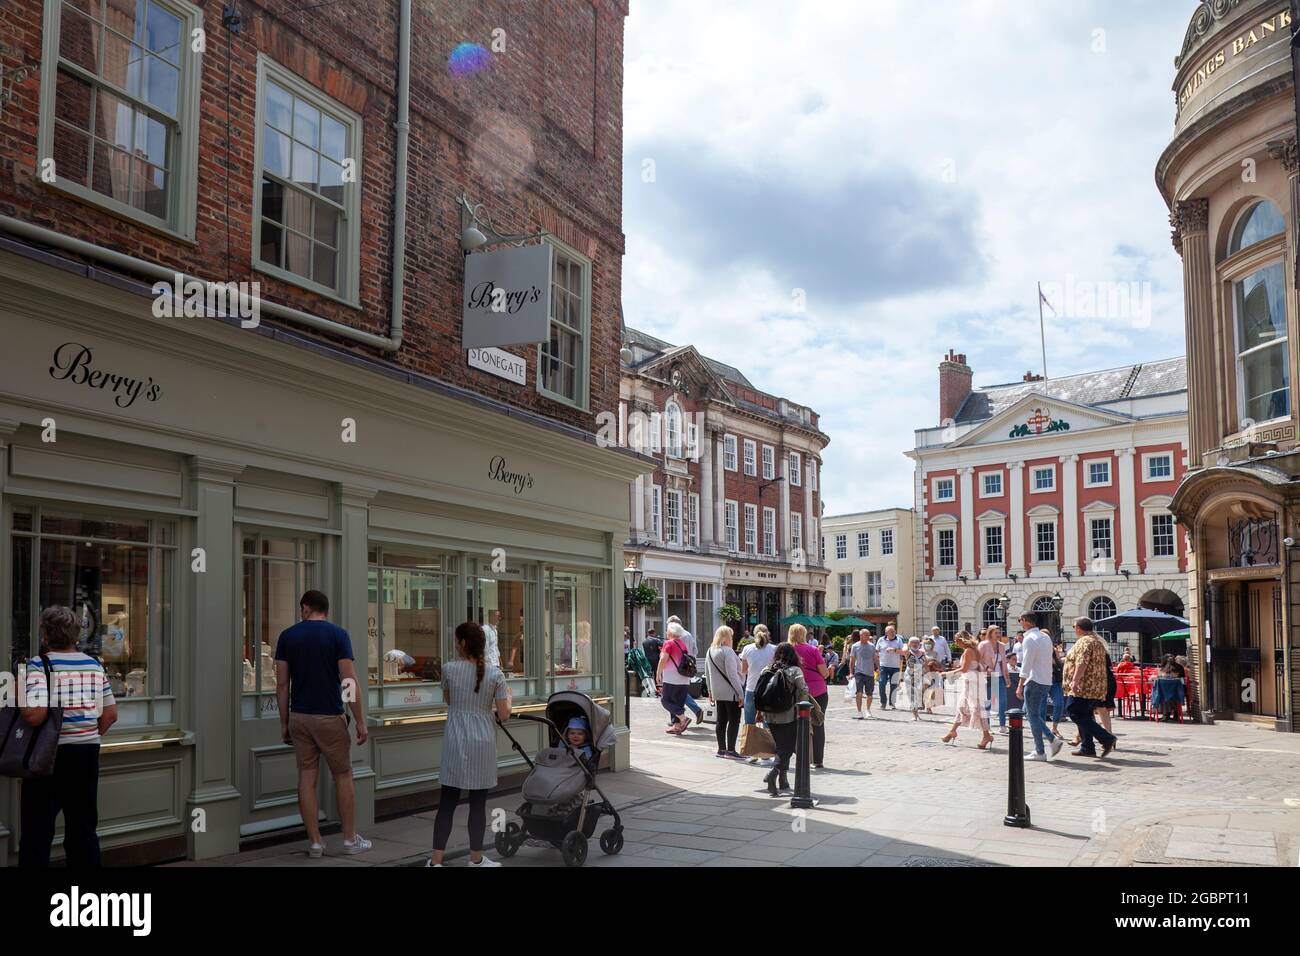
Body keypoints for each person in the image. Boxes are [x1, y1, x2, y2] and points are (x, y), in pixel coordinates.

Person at [18, 606, 119, 867]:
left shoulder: (40, 664)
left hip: (48, 757)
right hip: (85, 755)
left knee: (37, 831)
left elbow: (35, 716)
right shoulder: (94, 664)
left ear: (45, 635)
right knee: (83, 828)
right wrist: (84, 734)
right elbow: (109, 714)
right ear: (76, 635)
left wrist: (19, 693)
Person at [274, 590, 370, 858]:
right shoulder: (338, 635)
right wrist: (360, 720)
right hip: (329, 716)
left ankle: (315, 842)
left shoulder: (287, 637)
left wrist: (284, 722)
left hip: (300, 717)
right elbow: (348, 681)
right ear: (325, 610)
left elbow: (282, 685)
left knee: (306, 777)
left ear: (305, 608)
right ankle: (350, 840)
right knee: (343, 775)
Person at [428, 621, 511, 867]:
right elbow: (504, 713)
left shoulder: (449, 669)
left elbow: (449, 699)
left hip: (455, 739)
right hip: (483, 742)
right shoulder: (496, 674)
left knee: (447, 803)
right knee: (478, 804)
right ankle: (476, 859)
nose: (455, 644)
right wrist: (506, 699)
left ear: (463, 643)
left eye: (456, 640)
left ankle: (436, 861)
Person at [756, 643, 811, 796]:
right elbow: (803, 690)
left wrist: (759, 711)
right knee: (788, 747)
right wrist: (804, 709)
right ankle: (773, 773)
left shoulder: (767, 670)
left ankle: (783, 780)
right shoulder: (795, 670)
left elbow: (760, 691)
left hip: (769, 714)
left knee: (780, 745)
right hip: (788, 714)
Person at [1063, 617, 1118, 759]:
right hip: (1096, 686)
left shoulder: (1085, 641)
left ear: (1079, 628)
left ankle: (1106, 738)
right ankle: (1087, 747)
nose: (1074, 629)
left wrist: (1075, 681)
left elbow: (1082, 661)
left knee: (1073, 711)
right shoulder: (1097, 641)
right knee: (1085, 714)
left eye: (1075, 626)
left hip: (1085, 686)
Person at [1014, 611, 1062, 760]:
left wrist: (1020, 685)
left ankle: (1041, 750)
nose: (1020, 623)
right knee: (1030, 713)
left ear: (1026, 621)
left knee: (1032, 715)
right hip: (1046, 680)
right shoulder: (1045, 637)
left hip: (1034, 681)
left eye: (1020, 620)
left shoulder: (1029, 639)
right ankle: (1049, 741)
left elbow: (1026, 665)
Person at [939, 630, 993, 749]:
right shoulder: (974, 650)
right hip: (973, 680)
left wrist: (947, 673)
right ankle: (952, 731)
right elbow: (974, 666)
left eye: (957, 640)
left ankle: (986, 735)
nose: (956, 643)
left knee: (976, 708)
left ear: (962, 640)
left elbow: (964, 669)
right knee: (964, 707)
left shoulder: (969, 650)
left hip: (972, 682)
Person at [788, 623, 830, 769]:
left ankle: (798, 756)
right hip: (817, 690)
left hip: (795, 691)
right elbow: (825, 673)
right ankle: (818, 760)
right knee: (818, 723)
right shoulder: (813, 650)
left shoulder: (787, 650)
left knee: (793, 724)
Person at [705, 625, 745, 758]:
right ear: (727, 637)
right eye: (731, 636)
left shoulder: (710, 650)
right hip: (731, 692)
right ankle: (731, 750)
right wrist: (740, 693)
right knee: (734, 721)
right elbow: (732, 674)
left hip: (717, 692)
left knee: (721, 721)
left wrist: (710, 691)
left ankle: (721, 749)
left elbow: (707, 673)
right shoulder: (728, 651)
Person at [657, 622, 694, 734]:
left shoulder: (668, 643)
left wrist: (658, 673)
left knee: (665, 700)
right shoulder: (682, 643)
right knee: (677, 703)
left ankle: (684, 718)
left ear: (671, 632)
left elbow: (663, 659)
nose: (666, 632)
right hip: (684, 679)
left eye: (667, 630)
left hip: (671, 678)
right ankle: (677, 726)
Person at [667, 615, 704, 726]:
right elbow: (695, 651)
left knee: (673, 694)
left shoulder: (676, 637)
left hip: (677, 668)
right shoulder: (688, 634)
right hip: (688, 667)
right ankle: (681, 717)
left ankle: (678, 720)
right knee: (681, 692)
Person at [978, 625, 1012, 733]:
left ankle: (1002, 725)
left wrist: (1007, 677)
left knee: (1003, 701)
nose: (998, 635)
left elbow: (1004, 663)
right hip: (987, 677)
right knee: (987, 702)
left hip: (1000, 676)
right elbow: (977, 660)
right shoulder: (983, 645)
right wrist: (987, 668)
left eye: (999, 632)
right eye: (996, 633)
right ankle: (986, 726)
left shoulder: (1001, 645)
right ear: (990, 633)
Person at [849, 628, 878, 719]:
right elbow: (852, 660)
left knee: (869, 694)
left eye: (868, 635)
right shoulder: (855, 646)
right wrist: (851, 672)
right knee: (859, 692)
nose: (867, 637)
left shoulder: (872, 646)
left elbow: (875, 658)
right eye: (865, 635)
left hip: (870, 673)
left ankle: (868, 710)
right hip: (859, 672)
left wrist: (879, 668)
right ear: (860, 636)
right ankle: (859, 711)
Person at [875, 625, 904, 709]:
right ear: (886, 632)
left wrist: (894, 650)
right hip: (883, 665)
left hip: (895, 666)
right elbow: (876, 651)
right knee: (881, 683)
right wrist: (877, 665)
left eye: (893, 631)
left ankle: (892, 702)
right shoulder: (881, 639)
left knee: (894, 685)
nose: (892, 633)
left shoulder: (899, 640)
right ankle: (883, 702)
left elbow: (903, 652)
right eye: (890, 632)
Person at [899, 636, 927, 721]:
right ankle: (915, 715)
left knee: (919, 694)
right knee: (912, 695)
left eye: (917, 643)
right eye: (913, 642)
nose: (915, 644)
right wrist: (906, 645)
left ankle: (916, 713)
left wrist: (928, 674)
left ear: (919, 644)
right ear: (910, 644)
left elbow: (925, 664)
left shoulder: (922, 652)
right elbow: (902, 650)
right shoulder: (907, 652)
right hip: (909, 675)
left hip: (919, 674)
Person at [921, 636, 943, 713]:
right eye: (926, 644)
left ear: (933, 645)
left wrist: (933, 663)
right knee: (924, 689)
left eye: (930, 644)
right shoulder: (921, 652)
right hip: (923, 673)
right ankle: (924, 704)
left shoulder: (935, 653)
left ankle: (928, 707)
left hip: (933, 673)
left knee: (931, 690)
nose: (928, 645)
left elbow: (939, 662)